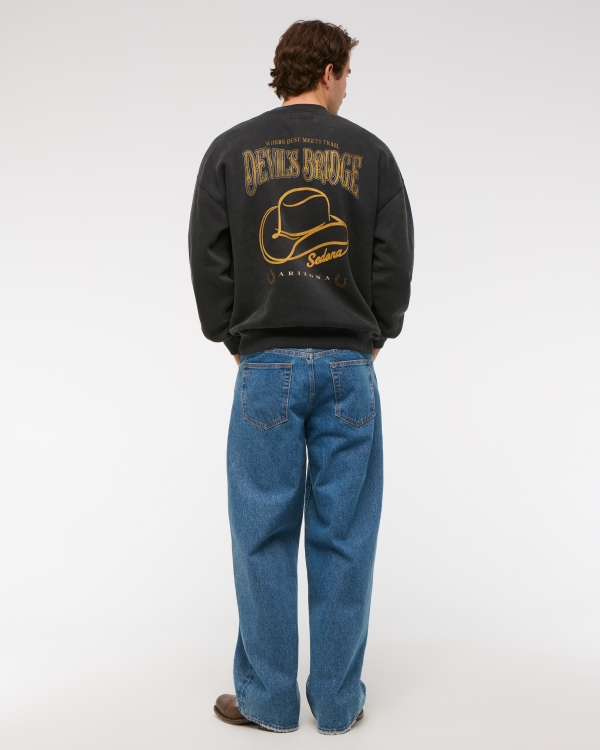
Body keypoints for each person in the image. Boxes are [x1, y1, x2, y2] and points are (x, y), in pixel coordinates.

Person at [188, 19, 414, 735]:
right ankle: (339, 705)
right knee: (346, 537)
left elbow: (209, 256)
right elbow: (393, 259)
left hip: (265, 368)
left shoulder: (230, 150)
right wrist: (376, 333)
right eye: (347, 74)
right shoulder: (371, 154)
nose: (347, 89)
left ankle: (268, 701)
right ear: (328, 72)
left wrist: (232, 335)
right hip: (349, 368)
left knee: (262, 535)